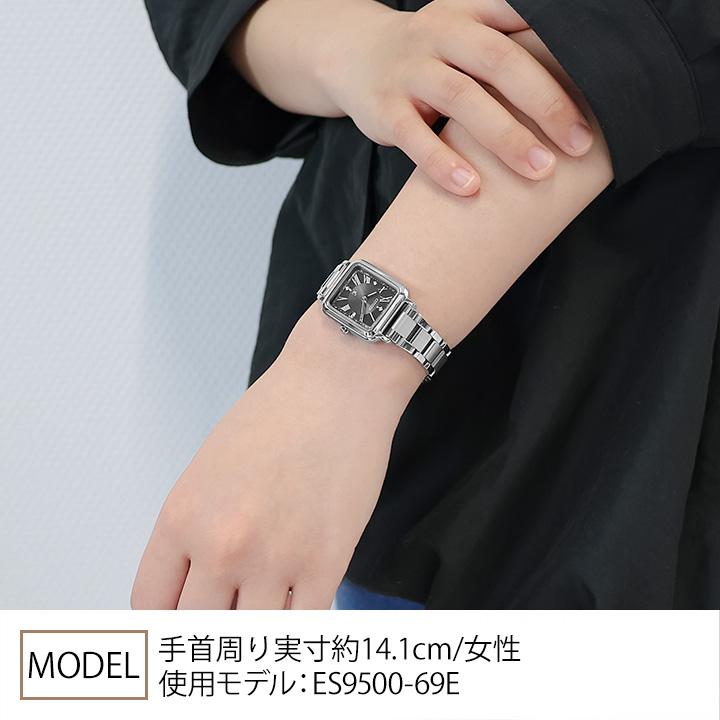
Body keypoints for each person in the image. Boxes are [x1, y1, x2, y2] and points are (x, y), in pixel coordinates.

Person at [132, 0, 720, 610]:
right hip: (357, 478)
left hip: (625, 452)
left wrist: (343, 370)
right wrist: (356, 43)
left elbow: (630, 33)